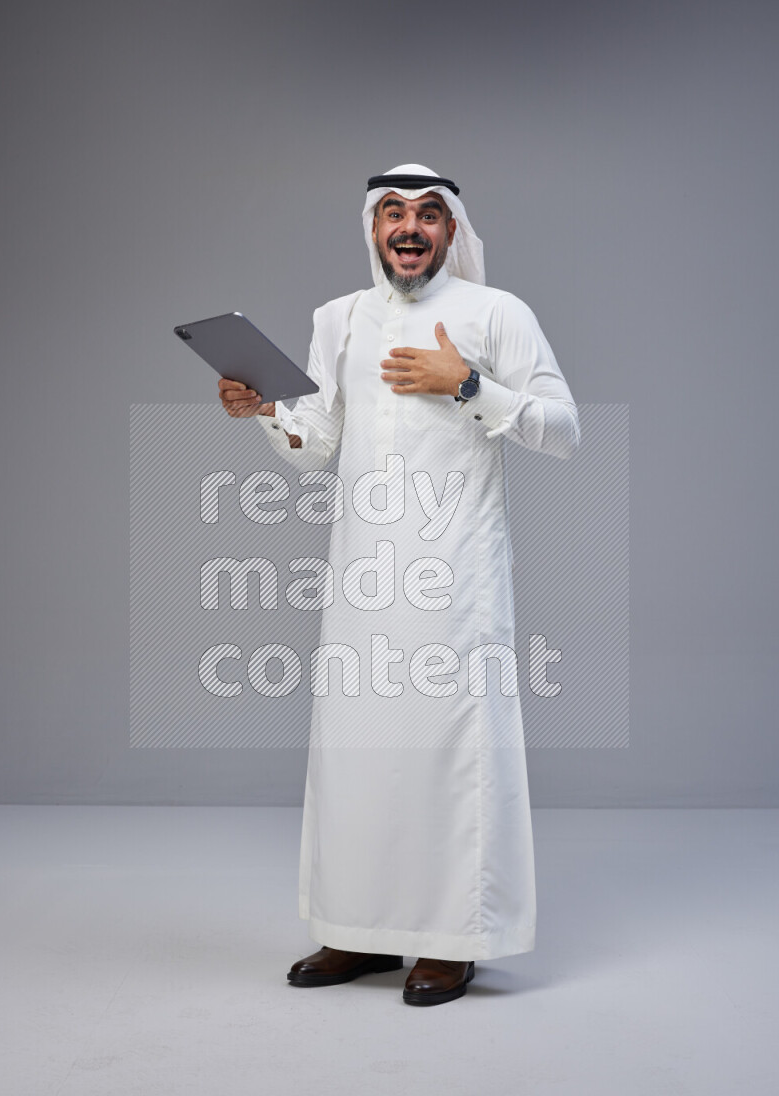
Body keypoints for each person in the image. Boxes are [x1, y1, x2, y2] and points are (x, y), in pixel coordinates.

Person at [218, 163, 580, 1006]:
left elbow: (564, 430)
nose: (408, 227)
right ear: (373, 228)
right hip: (362, 574)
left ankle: (453, 939)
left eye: (426, 213)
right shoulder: (338, 318)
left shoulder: (497, 313)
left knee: (451, 750)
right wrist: (266, 410)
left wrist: (468, 386)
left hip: (457, 575)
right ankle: (358, 927)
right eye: (392, 212)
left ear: (451, 228)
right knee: (358, 751)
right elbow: (317, 443)